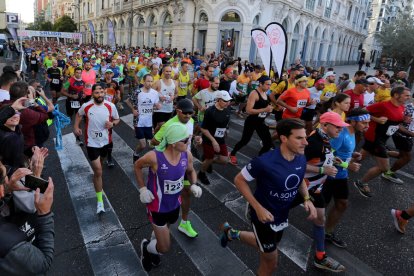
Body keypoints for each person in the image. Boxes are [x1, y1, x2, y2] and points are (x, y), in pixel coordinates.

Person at [219, 118, 316, 275]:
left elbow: (299, 179)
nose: (305, 142)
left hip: (281, 214)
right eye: (299, 138)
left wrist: (306, 198)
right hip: (262, 217)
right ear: (284, 138)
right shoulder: (265, 161)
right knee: (271, 262)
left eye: (305, 137)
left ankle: (231, 234)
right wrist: (258, 208)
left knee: (265, 245)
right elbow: (239, 179)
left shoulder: (300, 156)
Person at [136, 123, 200, 272]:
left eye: (188, 138)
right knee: (164, 248)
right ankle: (147, 248)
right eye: (184, 140)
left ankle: (153, 247)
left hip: (174, 205)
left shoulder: (186, 154)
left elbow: (191, 171)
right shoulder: (154, 157)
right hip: (157, 207)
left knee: (163, 233)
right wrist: (143, 189)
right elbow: (137, 166)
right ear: (172, 143)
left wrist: (194, 184)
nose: (188, 142)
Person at [151, 99, 202, 238]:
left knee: (186, 192)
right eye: (185, 113)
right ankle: (160, 226)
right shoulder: (169, 125)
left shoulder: (190, 121)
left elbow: (189, 137)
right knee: (169, 196)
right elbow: (154, 141)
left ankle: (184, 223)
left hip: (185, 161)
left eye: (191, 113)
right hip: (169, 163)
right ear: (178, 111)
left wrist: (196, 138)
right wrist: (169, 144)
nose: (188, 116)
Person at [323, 109, 370, 248]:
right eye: (364, 123)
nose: (367, 126)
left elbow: (342, 151)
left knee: (342, 204)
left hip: (341, 176)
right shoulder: (341, 134)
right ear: (353, 121)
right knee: (321, 207)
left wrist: (352, 154)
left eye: (368, 123)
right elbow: (327, 155)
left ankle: (327, 233)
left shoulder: (354, 132)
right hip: (330, 175)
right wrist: (347, 164)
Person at [354, 86, 411, 197]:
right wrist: (376, 119)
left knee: (362, 155)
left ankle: (344, 164)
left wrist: (405, 124)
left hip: (383, 138)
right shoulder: (383, 105)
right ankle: (361, 183)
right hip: (375, 137)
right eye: (406, 95)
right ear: (396, 95)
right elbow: (361, 111)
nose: (408, 98)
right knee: (384, 167)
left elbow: (396, 123)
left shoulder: (402, 107)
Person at [0, 161, 55, 275]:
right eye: (6, 176)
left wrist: (7, 189)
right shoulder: (9, 244)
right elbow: (44, 263)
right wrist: (45, 214)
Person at [73, 84, 120, 214]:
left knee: (101, 165)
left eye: (101, 92)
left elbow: (117, 119)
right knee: (98, 171)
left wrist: (112, 124)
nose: (99, 95)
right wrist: (76, 127)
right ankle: (100, 202)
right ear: (92, 94)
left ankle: (98, 176)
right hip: (91, 143)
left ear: (104, 92)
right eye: (97, 92)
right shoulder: (87, 106)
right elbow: (78, 115)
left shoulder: (111, 106)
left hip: (106, 142)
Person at [229, 76, 273, 165]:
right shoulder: (254, 93)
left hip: (261, 122)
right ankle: (232, 154)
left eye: (270, 85)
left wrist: (270, 110)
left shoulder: (265, 93)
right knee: (244, 141)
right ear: (261, 84)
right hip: (252, 121)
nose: (269, 87)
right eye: (267, 84)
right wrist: (265, 110)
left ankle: (259, 160)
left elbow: (265, 108)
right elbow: (248, 110)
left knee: (268, 143)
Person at [198, 91, 232, 185]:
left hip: (220, 138)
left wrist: (226, 130)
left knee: (224, 160)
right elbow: (203, 129)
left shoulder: (227, 109)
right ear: (218, 100)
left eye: (229, 100)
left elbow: (226, 122)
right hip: (209, 139)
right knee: (209, 158)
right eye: (225, 101)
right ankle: (201, 173)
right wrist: (213, 141)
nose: (228, 103)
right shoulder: (210, 111)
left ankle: (207, 161)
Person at [125, 74, 160, 163]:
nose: (150, 83)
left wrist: (158, 106)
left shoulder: (155, 93)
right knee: (143, 145)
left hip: (148, 122)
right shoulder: (137, 92)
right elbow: (128, 101)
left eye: (151, 81)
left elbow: (156, 104)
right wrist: (133, 110)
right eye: (148, 81)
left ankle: (152, 159)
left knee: (152, 142)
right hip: (138, 121)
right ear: (143, 81)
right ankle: (136, 154)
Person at [382, 99, 414, 184]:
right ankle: (388, 173)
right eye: (406, 95)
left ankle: (382, 151)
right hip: (402, 135)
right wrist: (410, 133)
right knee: (406, 158)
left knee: (402, 155)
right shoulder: (409, 108)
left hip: (408, 136)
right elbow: (397, 123)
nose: (407, 97)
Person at [152, 65, 176, 131]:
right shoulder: (158, 82)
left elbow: (177, 93)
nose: (168, 73)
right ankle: (155, 136)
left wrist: (173, 97)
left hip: (169, 109)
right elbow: (150, 94)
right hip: (159, 109)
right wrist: (159, 97)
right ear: (163, 72)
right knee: (162, 125)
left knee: (163, 127)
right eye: (167, 71)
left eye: (170, 71)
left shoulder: (174, 82)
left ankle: (155, 136)